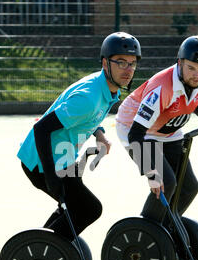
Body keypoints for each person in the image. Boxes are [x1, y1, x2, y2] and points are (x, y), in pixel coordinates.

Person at [17, 32, 141, 240]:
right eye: (121, 62)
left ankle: (44, 245)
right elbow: (41, 129)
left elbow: (87, 118)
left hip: (61, 159)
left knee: (75, 208)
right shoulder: (88, 98)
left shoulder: (104, 87)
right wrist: (50, 177)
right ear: (105, 63)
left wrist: (99, 134)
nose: (128, 70)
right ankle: (46, 251)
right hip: (42, 162)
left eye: (132, 63)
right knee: (89, 209)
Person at [115, 35, 198, 225]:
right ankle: (147, 233)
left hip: (167, 131)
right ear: (179, 63)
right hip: (138, 130)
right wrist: (151, 173)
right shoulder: (162, 89)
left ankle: (168, 226)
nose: (197, 74)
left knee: (189, 187)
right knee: (165, 183)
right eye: (191, 68)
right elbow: (135, 135)